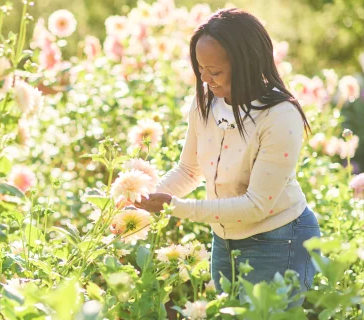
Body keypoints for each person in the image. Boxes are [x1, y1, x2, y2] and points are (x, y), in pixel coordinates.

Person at [134, 8, 321, 308]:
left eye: (215, 71)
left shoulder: (280, 116)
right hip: (225, 240)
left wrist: (177, 208)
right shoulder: (205, 104)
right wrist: (144, 201)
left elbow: (257, 205)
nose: (205, 78)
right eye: (200, 68)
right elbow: (188, 170)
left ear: (245, 63)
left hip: (279, 240)